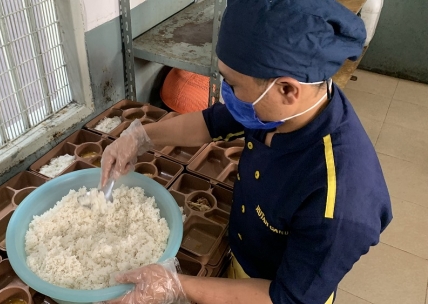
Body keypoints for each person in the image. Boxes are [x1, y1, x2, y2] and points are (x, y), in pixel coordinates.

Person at [100, 0, 393, 303]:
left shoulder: (341, 200)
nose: (227, 93)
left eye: (233, 84)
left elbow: (286, 297)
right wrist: (140, 137)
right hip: (242, 260)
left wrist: (175, 284)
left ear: (288, 90)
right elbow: (210, 123)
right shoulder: (280, 111)